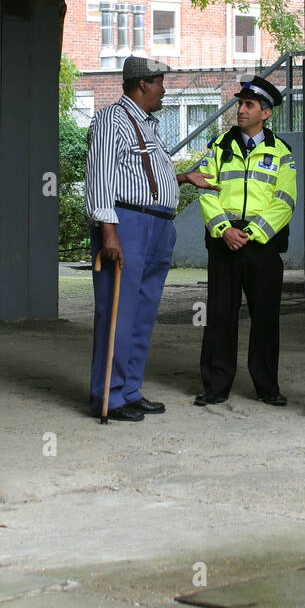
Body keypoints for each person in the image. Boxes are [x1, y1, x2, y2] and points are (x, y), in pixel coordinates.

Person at [85, 56, 218, 421]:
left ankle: (128, 390)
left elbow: (141, 179)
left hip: (155, 225)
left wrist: (184, 178)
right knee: (118, 313)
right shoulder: (113, 119)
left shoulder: (147, 124)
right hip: (126, 224)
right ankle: (108, 398)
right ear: (142, 84)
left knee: (141, 314)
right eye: (160, 81)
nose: (165, 88)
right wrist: (108, 229)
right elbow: (101, 176)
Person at [193, 76, 298, 406]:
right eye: (240, 104)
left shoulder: (281, 153)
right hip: (224, 242)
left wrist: (251, 234)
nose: (241, 109)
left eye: (248, 105)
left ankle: (267, 387)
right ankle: (215, 386)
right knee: (220, 315)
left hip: (262, 245)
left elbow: (285, 200)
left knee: (265, 317)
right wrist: (224, 229)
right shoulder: (218, 146)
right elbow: (205, 190)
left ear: (265, 113)